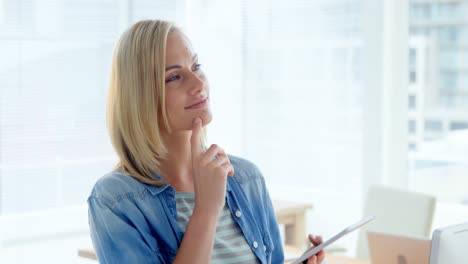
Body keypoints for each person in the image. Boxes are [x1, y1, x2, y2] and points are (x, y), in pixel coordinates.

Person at [88, 19, 326, 264]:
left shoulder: (246, 178)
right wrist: (207, 209)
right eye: (174, 77)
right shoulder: (115, 200)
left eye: (196, 66)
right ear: (140, 97)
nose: (199, 84)